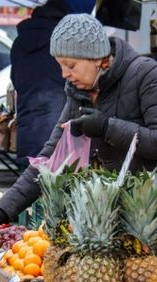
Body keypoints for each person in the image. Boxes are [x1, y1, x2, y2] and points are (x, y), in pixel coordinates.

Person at [0, 13, 157, 230]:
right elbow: (50, 156)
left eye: (71, 65)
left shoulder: (145, 74)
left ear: (98, 58)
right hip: (135, 201)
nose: (64, 74)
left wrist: (107, 127)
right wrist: (2, 210)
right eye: (60, 65)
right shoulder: (79, 93)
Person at [10, 0, 94, 167]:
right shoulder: (64, 41)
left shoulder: (19, 43)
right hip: (57, 127)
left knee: (30, 183)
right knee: (56, 183)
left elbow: (16, 80)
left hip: (28, 124)